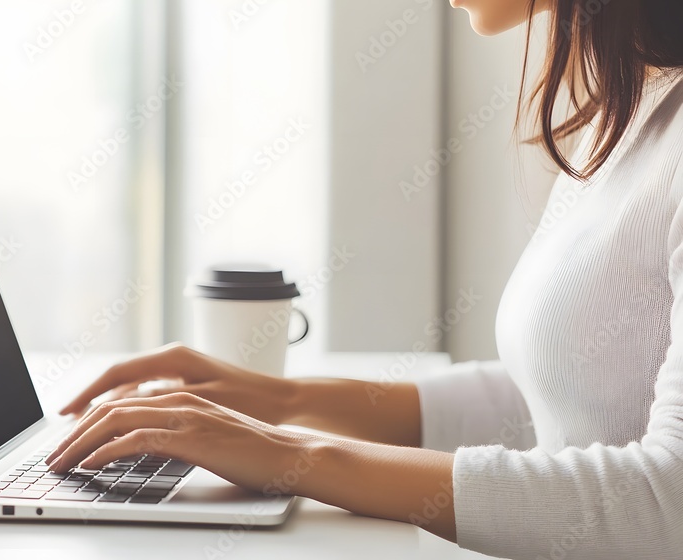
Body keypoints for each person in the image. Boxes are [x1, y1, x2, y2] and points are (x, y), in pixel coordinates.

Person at [47, 1, 683, 558]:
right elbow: (563, 397)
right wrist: (277, 401)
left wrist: (294, 456)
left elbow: (668, 505)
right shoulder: (631, 107)